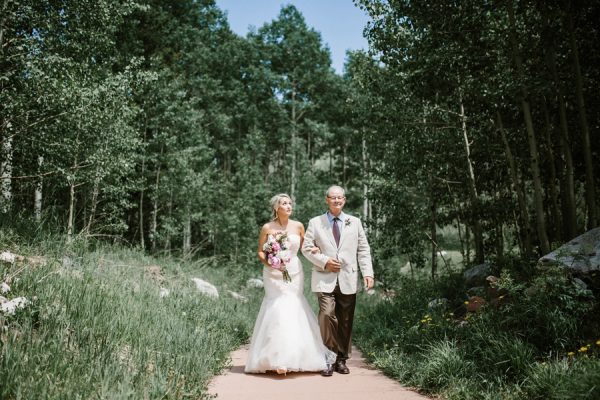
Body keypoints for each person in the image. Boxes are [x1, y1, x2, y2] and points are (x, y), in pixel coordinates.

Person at [245, 193, 336, 375]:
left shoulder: (298, 226)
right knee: (277, 307)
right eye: (284, 203)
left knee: (293, 305)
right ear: (276, 208)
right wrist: (271, 263)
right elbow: (260, 252)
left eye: (289, 203)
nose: (288, 206)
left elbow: (305, 247)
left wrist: (316, 248)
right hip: (273, 273)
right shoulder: (267, 227)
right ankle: (275, 358)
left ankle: (293, 356)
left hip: (294, 271)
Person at [301, 185, 374, 377]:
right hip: (324, 278)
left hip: (348, 278)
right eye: (333, 198)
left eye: (340, 197)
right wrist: (324, 262)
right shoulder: (315, 222)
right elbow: (306, 248)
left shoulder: (355, 222)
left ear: (345, 200)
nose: (337, 200)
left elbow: (363, 249)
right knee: (326, 315)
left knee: (345, 320)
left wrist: (368, 273)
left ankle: (341, 360)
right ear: (327, 199)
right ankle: (328, 358)